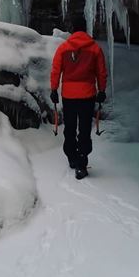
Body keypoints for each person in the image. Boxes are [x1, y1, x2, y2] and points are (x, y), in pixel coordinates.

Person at [50, 15, 107, 180]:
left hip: (68, 95)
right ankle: (82, 163)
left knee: (69, 127)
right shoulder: (95, 48)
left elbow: (56, 69)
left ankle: (71, 156)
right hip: (87, 95)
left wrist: (54, 89)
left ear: (73, 30)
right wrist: (101, 90)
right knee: (84, 129)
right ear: (85, 29)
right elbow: (101, 72)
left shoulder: (64, 48)